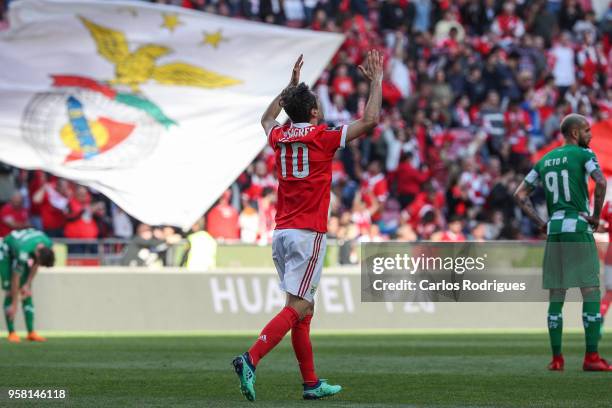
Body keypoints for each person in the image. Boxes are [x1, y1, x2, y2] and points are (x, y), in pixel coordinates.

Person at [232, 50, 383, 401]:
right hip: (308, 233)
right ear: (314, 112)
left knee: (303, 309)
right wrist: (376, 81)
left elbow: (266, 118)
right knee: (298, 307)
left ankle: (311, 384)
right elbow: (371, 120)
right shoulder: (323, 137)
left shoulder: (279, 137)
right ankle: (250, 358)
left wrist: (290, 88)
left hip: (281, 232)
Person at [514, 113, 610, 371]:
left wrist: (540, 222)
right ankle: (591, 357)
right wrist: (596, 216)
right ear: (576, 133)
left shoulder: (545, 160)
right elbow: (600, 182)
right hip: (577, 226)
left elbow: (520, 194)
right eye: (587, 131)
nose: (590, 135)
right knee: (590, 290)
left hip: (554, 229)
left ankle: (557, 359)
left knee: (556, 294)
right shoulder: (584, 155)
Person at [1, 228, 54, 343]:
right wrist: (15, 303)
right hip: (5, 251)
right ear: (37, 253)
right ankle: (12, 332)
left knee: (26, 290)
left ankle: (31, 332)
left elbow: (36, 263)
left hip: (23, 249)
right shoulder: (23, 250)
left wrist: (27, 284)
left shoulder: (47, 244)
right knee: (11, 290)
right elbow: (16, 276)